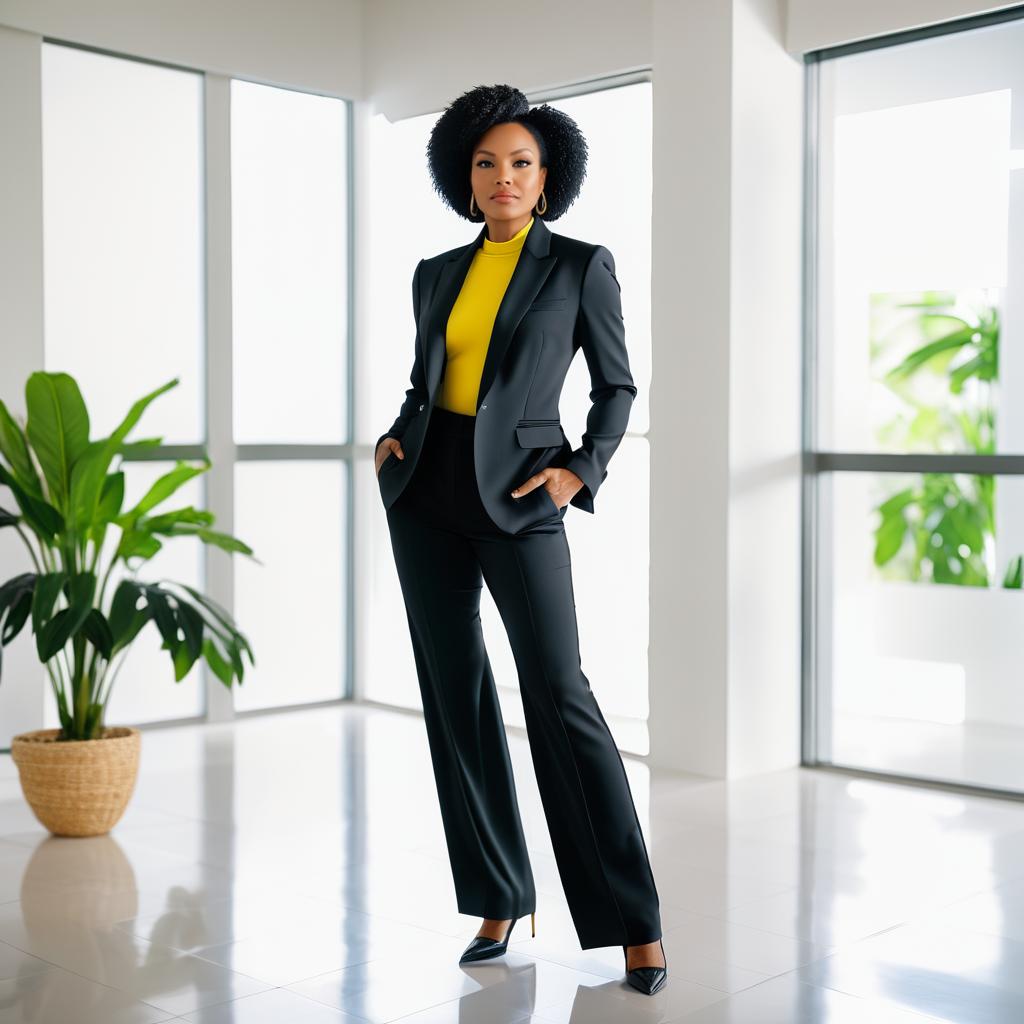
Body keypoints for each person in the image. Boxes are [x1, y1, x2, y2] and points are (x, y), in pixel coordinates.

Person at [374, 83, 667, 996]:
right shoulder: (434, 272)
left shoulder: (580, 266)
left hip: (523, 493)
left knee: (558, 690)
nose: (504, 177)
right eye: (487, 162)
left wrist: (583, 468)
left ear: (548, 179)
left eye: (522, 163)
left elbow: (617, 386)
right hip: (426, 490)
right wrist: (394, 433)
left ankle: (634, 925)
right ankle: (498, 894)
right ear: (465, 178)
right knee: (453, 693)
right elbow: (432, 381)